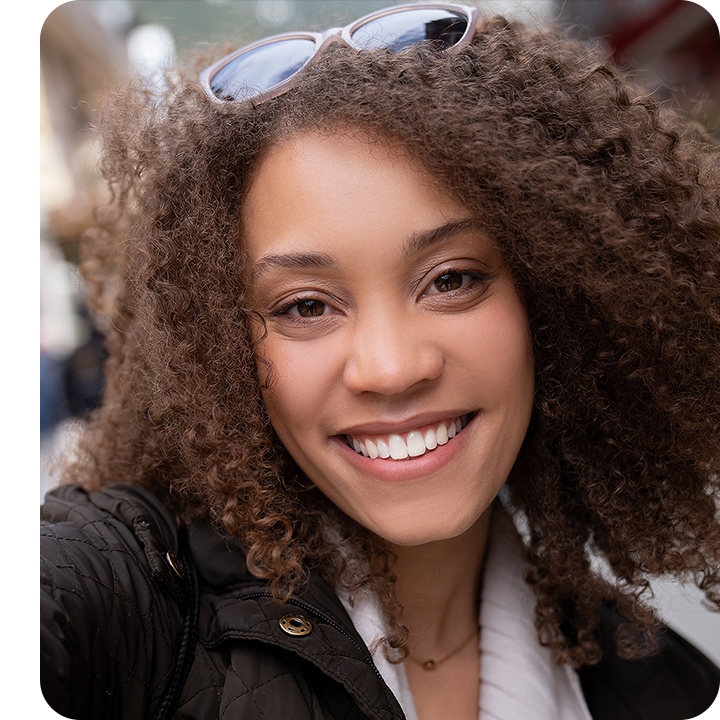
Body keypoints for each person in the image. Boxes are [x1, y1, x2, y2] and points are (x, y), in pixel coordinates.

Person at [40, 3, 720, 719]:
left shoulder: (669, 687)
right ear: (221, 348)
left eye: (451, 280)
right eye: (305, 306)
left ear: (556, 297)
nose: (391, 368)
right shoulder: (126, 597)